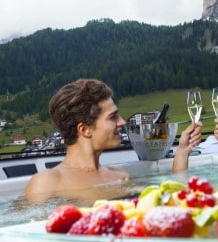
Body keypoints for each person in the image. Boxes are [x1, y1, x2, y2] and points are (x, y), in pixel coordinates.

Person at [24, 78, 202, 202]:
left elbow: (171, 196)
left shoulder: (120, 175)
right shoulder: (47, 182)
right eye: (113, 117)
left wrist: (182, 151)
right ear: (84, 129)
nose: (122, 122)